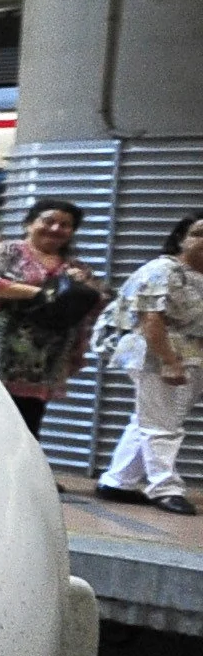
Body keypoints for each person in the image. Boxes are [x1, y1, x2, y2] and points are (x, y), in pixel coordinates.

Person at [95, 210, 203, 515]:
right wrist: (168, 361)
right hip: (156, 353)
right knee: (162, 424)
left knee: (151, 419)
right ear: (181, 238)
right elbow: (151, 320)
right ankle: (165, 488)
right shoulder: (162, 270)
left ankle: (118, 481)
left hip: (192, 356)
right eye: (199, 233)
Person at [0, 198, 104, 431]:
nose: (56, 229)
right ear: (29, 224)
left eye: (65, 225)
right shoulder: (5, 252)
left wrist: (81, 288)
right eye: (48, 221)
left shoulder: (76, 267)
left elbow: (95, 300)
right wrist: (42, 293)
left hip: (44, 358)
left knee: (29, 423)